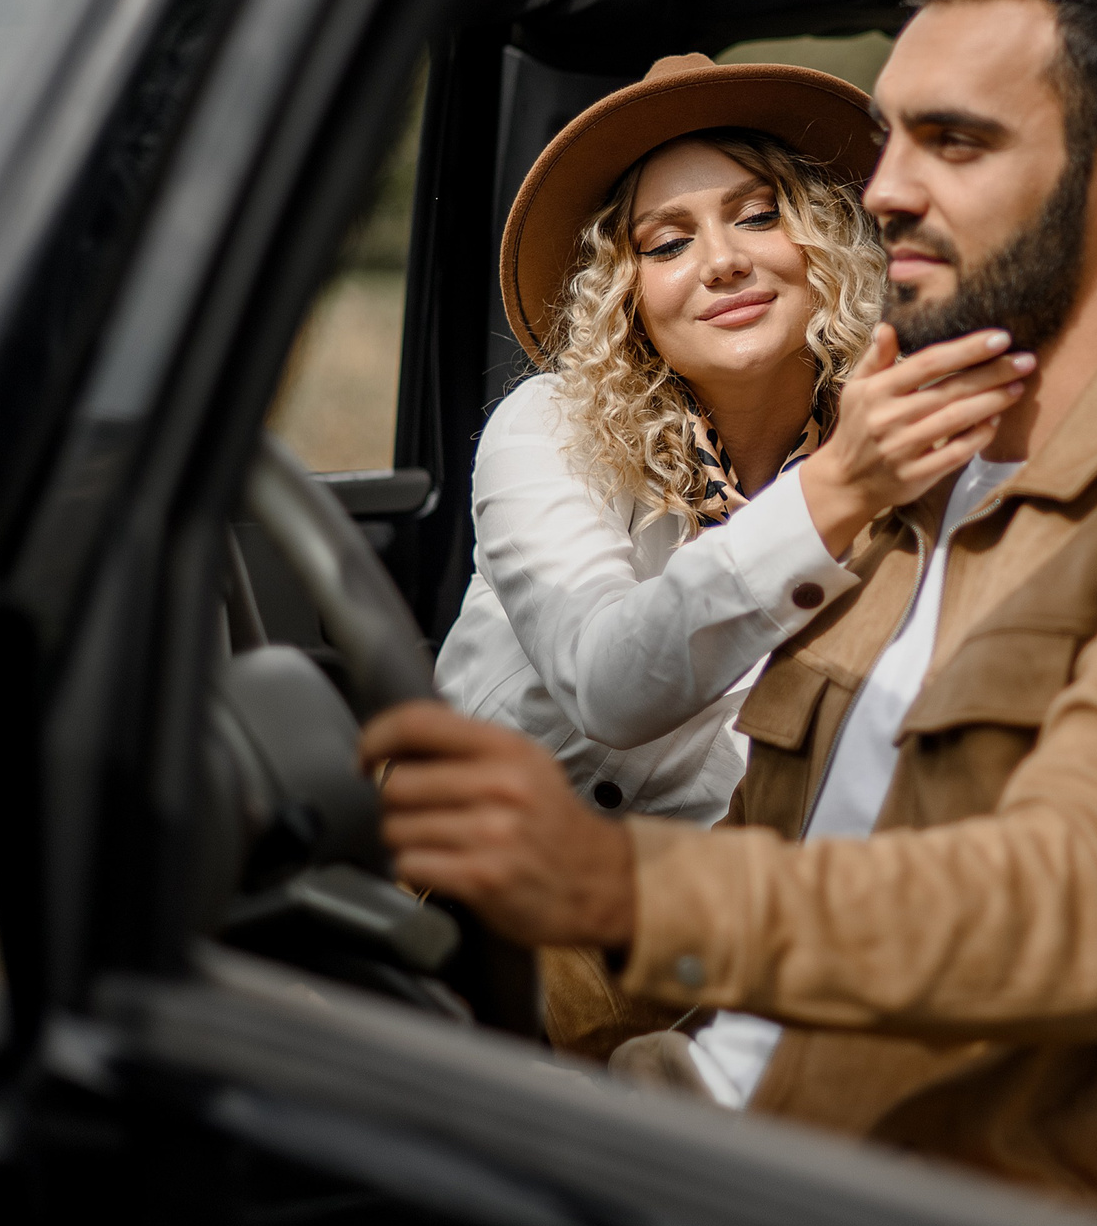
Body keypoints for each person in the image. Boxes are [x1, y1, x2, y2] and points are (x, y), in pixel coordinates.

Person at [370, 0, 1097, 1226]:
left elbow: (1083, 906)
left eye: (952, 142)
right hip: (679, 1088)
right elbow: (754, 811)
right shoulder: (926, 464)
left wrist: (623, 888)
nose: (887, 188)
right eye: (891, 140)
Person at [439, 52, 1029, 825]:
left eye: (758, 216)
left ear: (827, 243)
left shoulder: (908, 436)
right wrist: (835, 492)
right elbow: (605, 683)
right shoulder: (548, 426)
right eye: (667, 243)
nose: (723, 262)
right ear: (624, 295)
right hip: (495, 866)